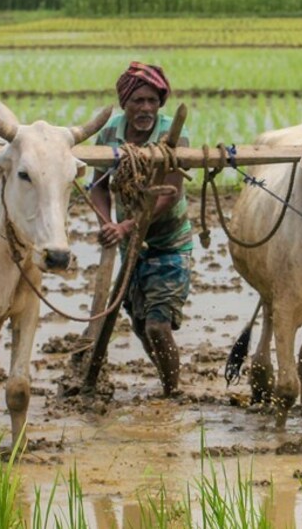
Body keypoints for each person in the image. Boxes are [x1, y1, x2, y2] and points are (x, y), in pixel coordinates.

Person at [89, 61, 193, 397]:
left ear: (159, 103)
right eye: (138, 101)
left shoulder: (172, 135)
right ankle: (168, 380)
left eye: (151, 100)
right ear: (125, 104)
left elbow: (170, 191)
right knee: (139, 325)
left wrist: (127, 225)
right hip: (129, 245)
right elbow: (99, 187)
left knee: (158, 325)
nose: (145, 108)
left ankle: (172, 392)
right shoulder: (108, 135)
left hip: (169, 243)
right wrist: (109, 224)